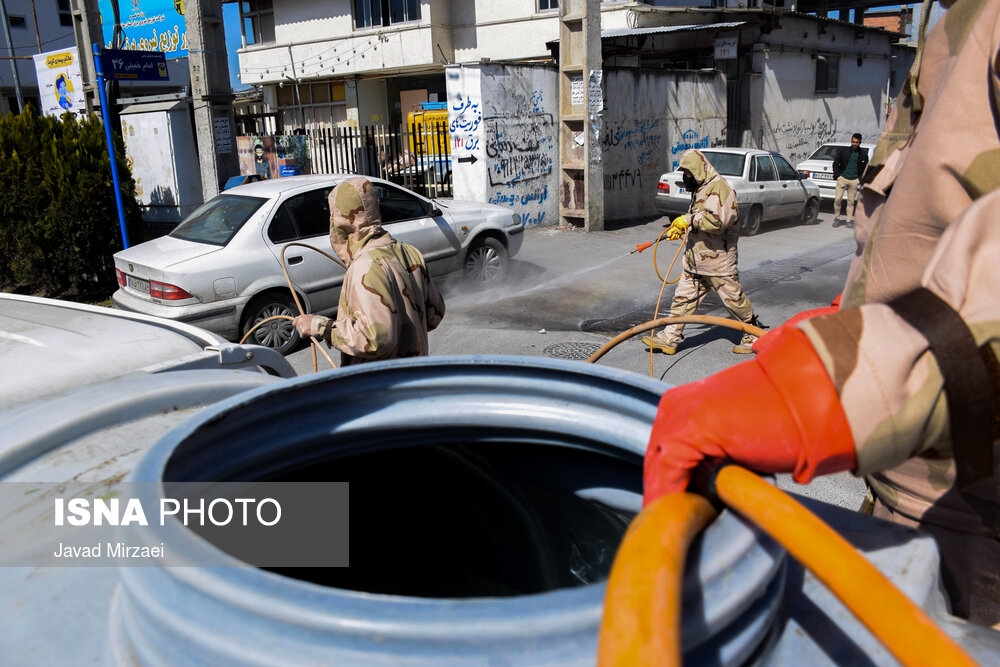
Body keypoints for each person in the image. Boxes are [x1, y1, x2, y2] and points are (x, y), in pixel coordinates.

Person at [643, 0, 1000, 627]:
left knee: (730, 302)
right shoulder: (956, 25)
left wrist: (822, 386)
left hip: (975, 522)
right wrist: (853, 311)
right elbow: (942, 229)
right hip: (913, 484)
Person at [293, 177, 445, 366]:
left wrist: (319, 326)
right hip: (415, 375)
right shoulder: (410, 252)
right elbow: (435, 314)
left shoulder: (364, 266)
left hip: (382, 385)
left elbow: (375, 340)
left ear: (340, 220)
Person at [640, 149, 762, 355]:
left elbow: (717, 222)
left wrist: (687, 220)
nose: (686, 178)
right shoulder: (701, 187)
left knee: (733, 300)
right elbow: (699, 216)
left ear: (699, 169)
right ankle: (670, 338)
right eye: (684, 173)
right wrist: (680, 228)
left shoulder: (720, 188)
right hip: (696, 260)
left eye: (688, 173)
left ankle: (754, 334)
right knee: (683, 298)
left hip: (718, 261)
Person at [831, 133, 868, 228]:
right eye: (853, 141)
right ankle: (837, 218)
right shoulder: (844, 151)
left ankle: (848, 220)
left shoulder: (863, 154)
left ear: (860, 142)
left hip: (854, 181)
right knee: (837, 200)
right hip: (842, 179)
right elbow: (835, 164)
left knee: (851, 202)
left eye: (856, 142)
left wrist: (860, 179)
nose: (854, 144)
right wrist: (837, 176)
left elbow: (865, 168)